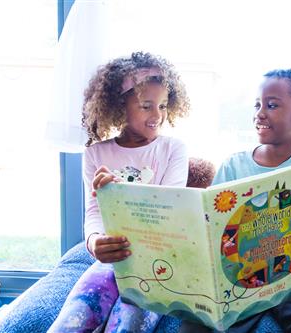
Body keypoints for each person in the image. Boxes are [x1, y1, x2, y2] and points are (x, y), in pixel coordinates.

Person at [180, 69, 291, 332]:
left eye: (272, 105)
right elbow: (211, 230)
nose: (259, 113)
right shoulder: (233, 166)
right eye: (257, 104)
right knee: (197, 326)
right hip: (239, 281)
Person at [48, 51, 190, 333]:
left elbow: (169, 210)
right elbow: (94, 211)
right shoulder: (95, 153)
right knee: (70, 323)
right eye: (146, 105)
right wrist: (95, 241)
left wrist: (120, 192)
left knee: (127, 327)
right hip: (111, 263)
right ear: (119, 106)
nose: (157, 115)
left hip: (154, 264)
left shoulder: (172, 149)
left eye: (162, 106)